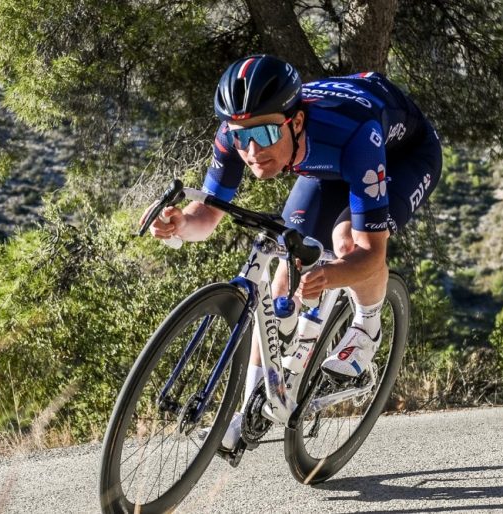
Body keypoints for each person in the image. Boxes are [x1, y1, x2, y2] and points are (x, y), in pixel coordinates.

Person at [142, 54, 442, 449]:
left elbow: (370, 254)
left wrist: (332, 274)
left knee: (347, 243)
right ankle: (251, 407)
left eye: (264, 136)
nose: (250, 150)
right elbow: (207, 215)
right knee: (283, 273)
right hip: (322, 162)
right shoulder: (238, 131)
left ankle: (367, 326)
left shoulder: (354, 134)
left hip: (398, 155)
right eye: (240, 136)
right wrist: (181, 223)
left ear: (295, 122)